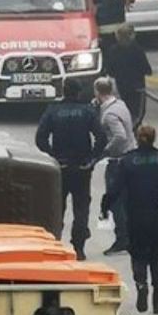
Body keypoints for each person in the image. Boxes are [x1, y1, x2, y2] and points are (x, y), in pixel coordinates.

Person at [102, 125, 158, 315]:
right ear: (154, 138)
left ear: (137, 138)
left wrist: (105, 207)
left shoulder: (127, 161)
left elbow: (114, 189)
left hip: (135, 216)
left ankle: (141, 285)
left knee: (138, 255)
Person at [36, 79, 108, 260]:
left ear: (63, 91)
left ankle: (55, 244)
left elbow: (40, 138)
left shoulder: (53, 111)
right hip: (82, 167)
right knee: (81, 208)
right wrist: (92, 158)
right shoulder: (87, 111)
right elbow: (101, 138)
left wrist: (52, 155)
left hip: (60, 167)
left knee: (56, 208)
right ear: (78, 92)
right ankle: (79, 247)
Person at [95, 77, 137, 256]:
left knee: (115, 202)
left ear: (97, 92)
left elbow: (120, 136)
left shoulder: (109, 114)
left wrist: (106, 150)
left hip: (118, 161)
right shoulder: (120, 105)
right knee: (127, 200)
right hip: (131, 157)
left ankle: (122, 239)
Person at [106, 23, 152, 127]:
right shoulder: (137, 50)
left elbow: (109, 70)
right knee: (138, 113)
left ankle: (127, 128)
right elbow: (147, 69)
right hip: (137, 86)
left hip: (122, 86)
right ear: (131, 35)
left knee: (125, 110)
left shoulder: (113, 51)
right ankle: (133, 130)